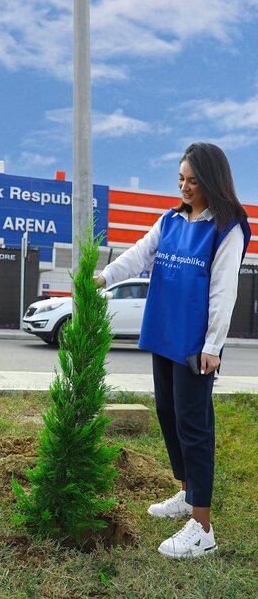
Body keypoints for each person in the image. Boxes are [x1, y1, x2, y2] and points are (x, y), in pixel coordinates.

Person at [95, 143, 250, 558]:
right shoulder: (170, 220)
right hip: (163, 333)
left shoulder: (227, 226)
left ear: (212, 180)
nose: (184, 187)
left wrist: (213, 345)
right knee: (168, 413)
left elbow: (223, 290)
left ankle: (202, 528)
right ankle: (185, 493)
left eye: (193, 180)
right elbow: (139, 255)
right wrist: (104, 277)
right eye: (181, 178)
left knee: (195, 426)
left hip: (194, 345)